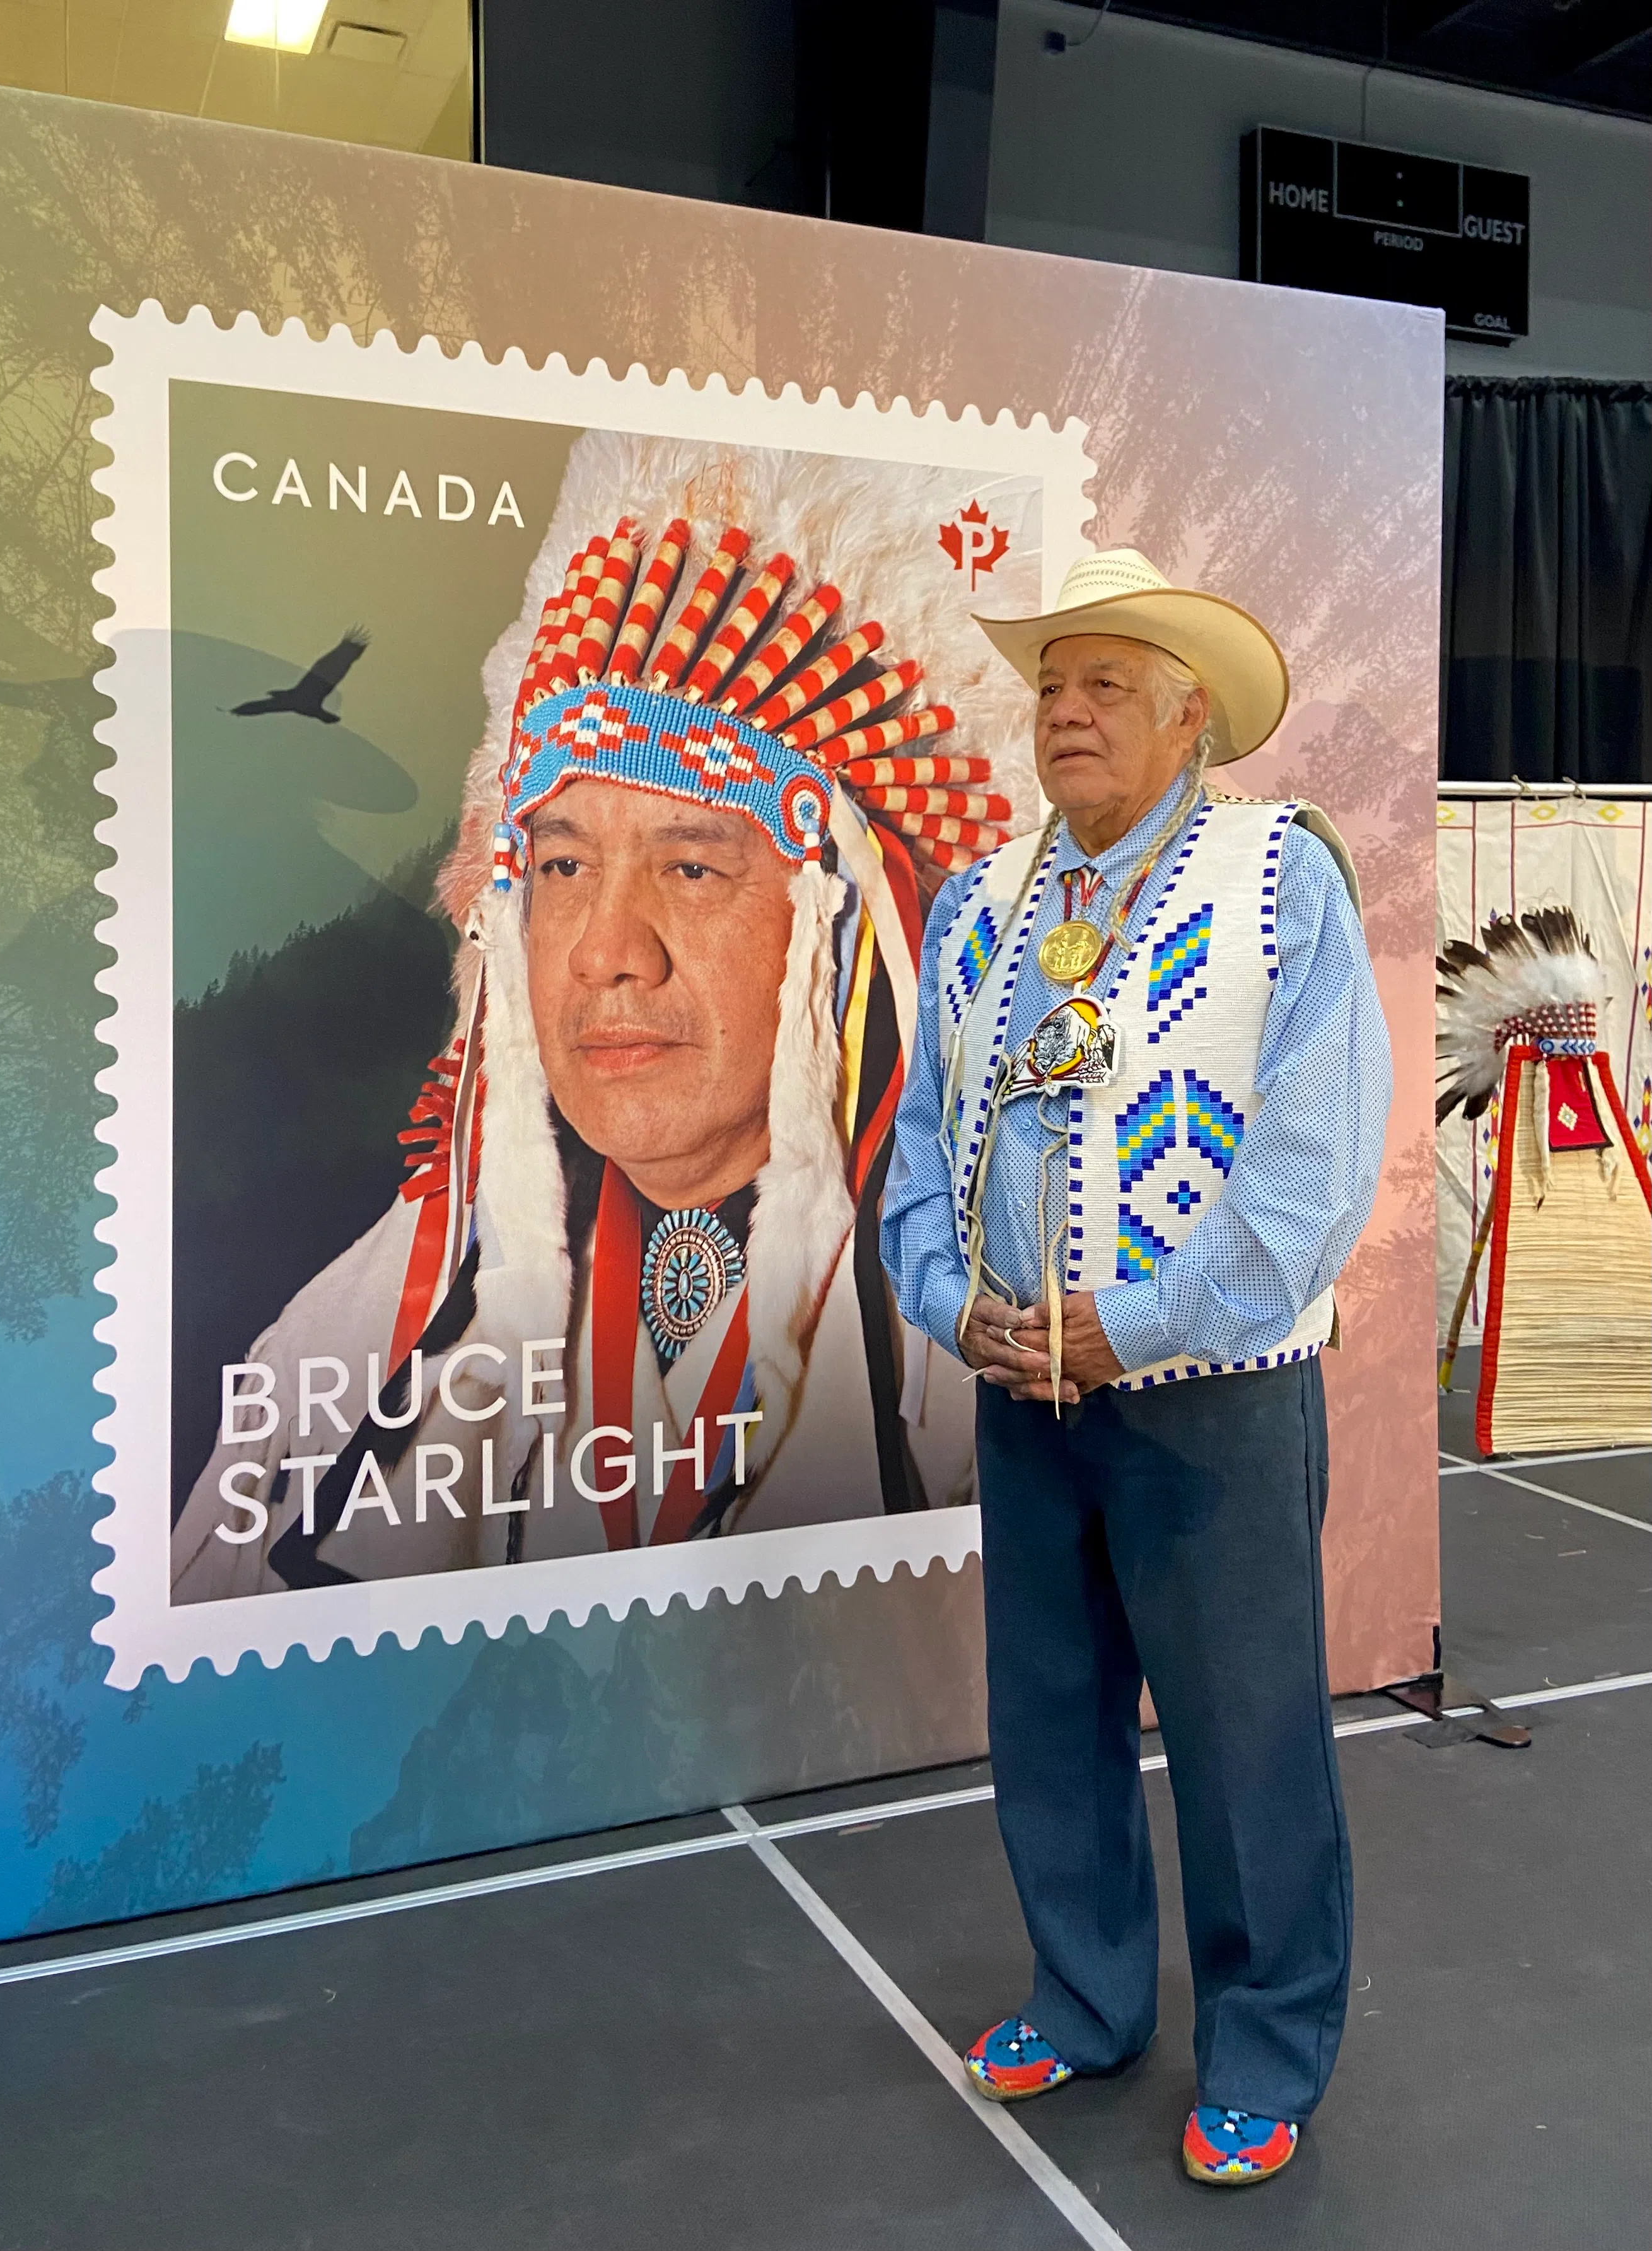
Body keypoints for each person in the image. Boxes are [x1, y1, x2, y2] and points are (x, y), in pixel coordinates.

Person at [170, 434, 1042, 1596]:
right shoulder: (362, 1333)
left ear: (840, 933)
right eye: (565, 868)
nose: (604, 954)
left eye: (692, 868)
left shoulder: (995, 1336)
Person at [881, 547, 1390, 2187]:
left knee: (1245, 1735)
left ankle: (1264, 2045)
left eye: (1106, 684)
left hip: (1212, 1400)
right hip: (1024, 1394)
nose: (1067, 711)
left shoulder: (1279, 879)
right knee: (1049, 1714)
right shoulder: (977, 903)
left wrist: (1145, 1320)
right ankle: (1085, 1995)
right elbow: (915, 1144)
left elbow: (1315, 1165)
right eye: (1051, 686)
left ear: (1189, 719)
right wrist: (952, 1301)